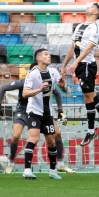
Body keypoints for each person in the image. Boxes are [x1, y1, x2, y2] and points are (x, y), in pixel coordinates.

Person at [0, 63, 75, 174]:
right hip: (23, 110)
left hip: (40, 111)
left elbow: (58, 93)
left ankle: (60, 164)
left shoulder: (46, 82)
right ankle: (11, 163)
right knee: (16, 135)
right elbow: (3, 88)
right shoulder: (23, 82)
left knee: (57, 134)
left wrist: (60, 111)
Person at [61, 3, 99, 147]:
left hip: (86, 65)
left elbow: (89, 47)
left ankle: (93, 130)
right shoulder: (79, 26)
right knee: (89, 96)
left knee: (88, 96)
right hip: (79, 65)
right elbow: (72, 47)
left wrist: (76, 62)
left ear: (96, 12)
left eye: (91, 6)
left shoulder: (95, 28)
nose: (88, 7)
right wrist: (65, 64)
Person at [22, 48, 68, 180]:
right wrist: (39, 89)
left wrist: (63, 86)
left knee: (52, 142)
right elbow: (25, 93)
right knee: (34, 139)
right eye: (46, 54)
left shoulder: (53, 72)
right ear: (39, 58)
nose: (49, 56)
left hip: (48, 113)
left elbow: (63, 89)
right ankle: (26, 170)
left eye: (49, 54)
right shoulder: (32, 73)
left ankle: (53, 171)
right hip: (34, 111)